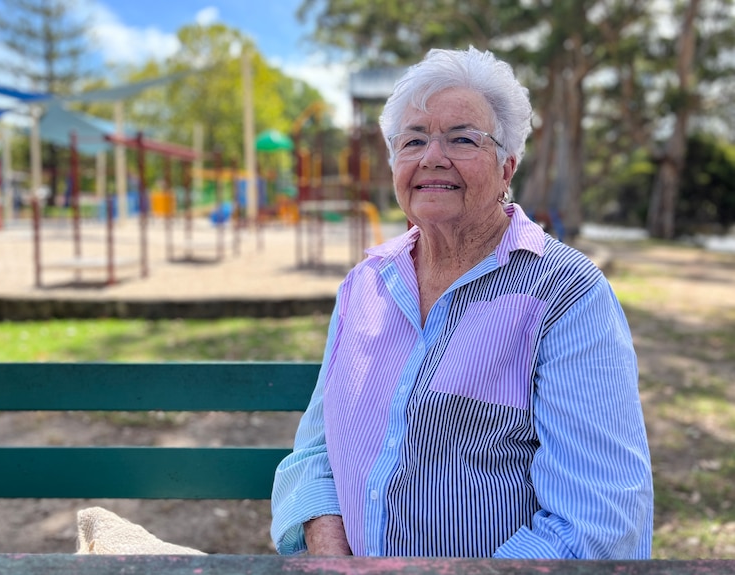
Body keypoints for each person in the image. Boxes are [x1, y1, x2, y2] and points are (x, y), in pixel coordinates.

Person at [270, 47, 653, 559]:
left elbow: (599, 522)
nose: (431, 156)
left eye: (462, 139)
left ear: (506, 168)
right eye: (413, 140)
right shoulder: (365, 284)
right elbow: (317, 452)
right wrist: (332, 554)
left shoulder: (567, 293)